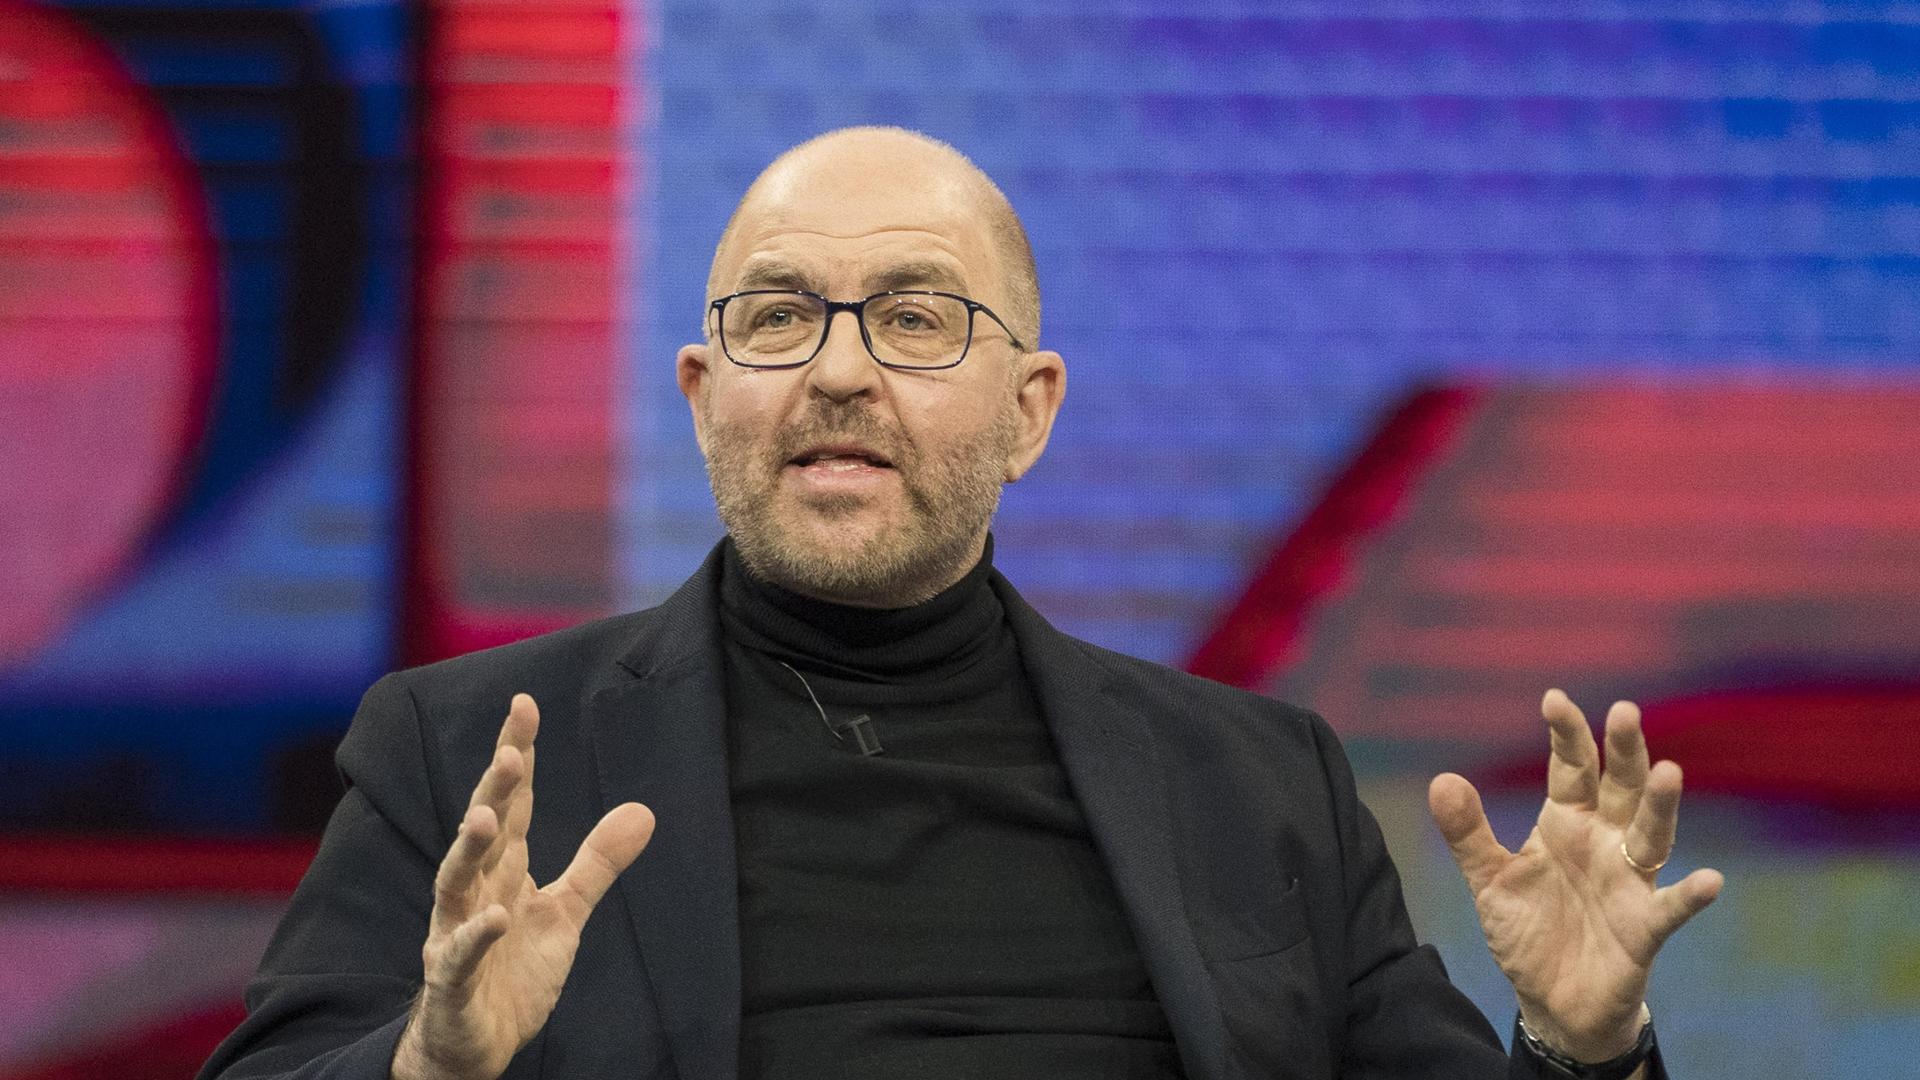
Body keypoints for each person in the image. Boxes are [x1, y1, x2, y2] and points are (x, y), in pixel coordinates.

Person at [199, 127, 1722, 1080]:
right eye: (779, 317)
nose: (838, 371)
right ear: (705, 394)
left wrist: (1581, 1047)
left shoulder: (1258, 785)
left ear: (1030, 408)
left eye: (916, 318)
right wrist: (428, 1067)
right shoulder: (474, 751)